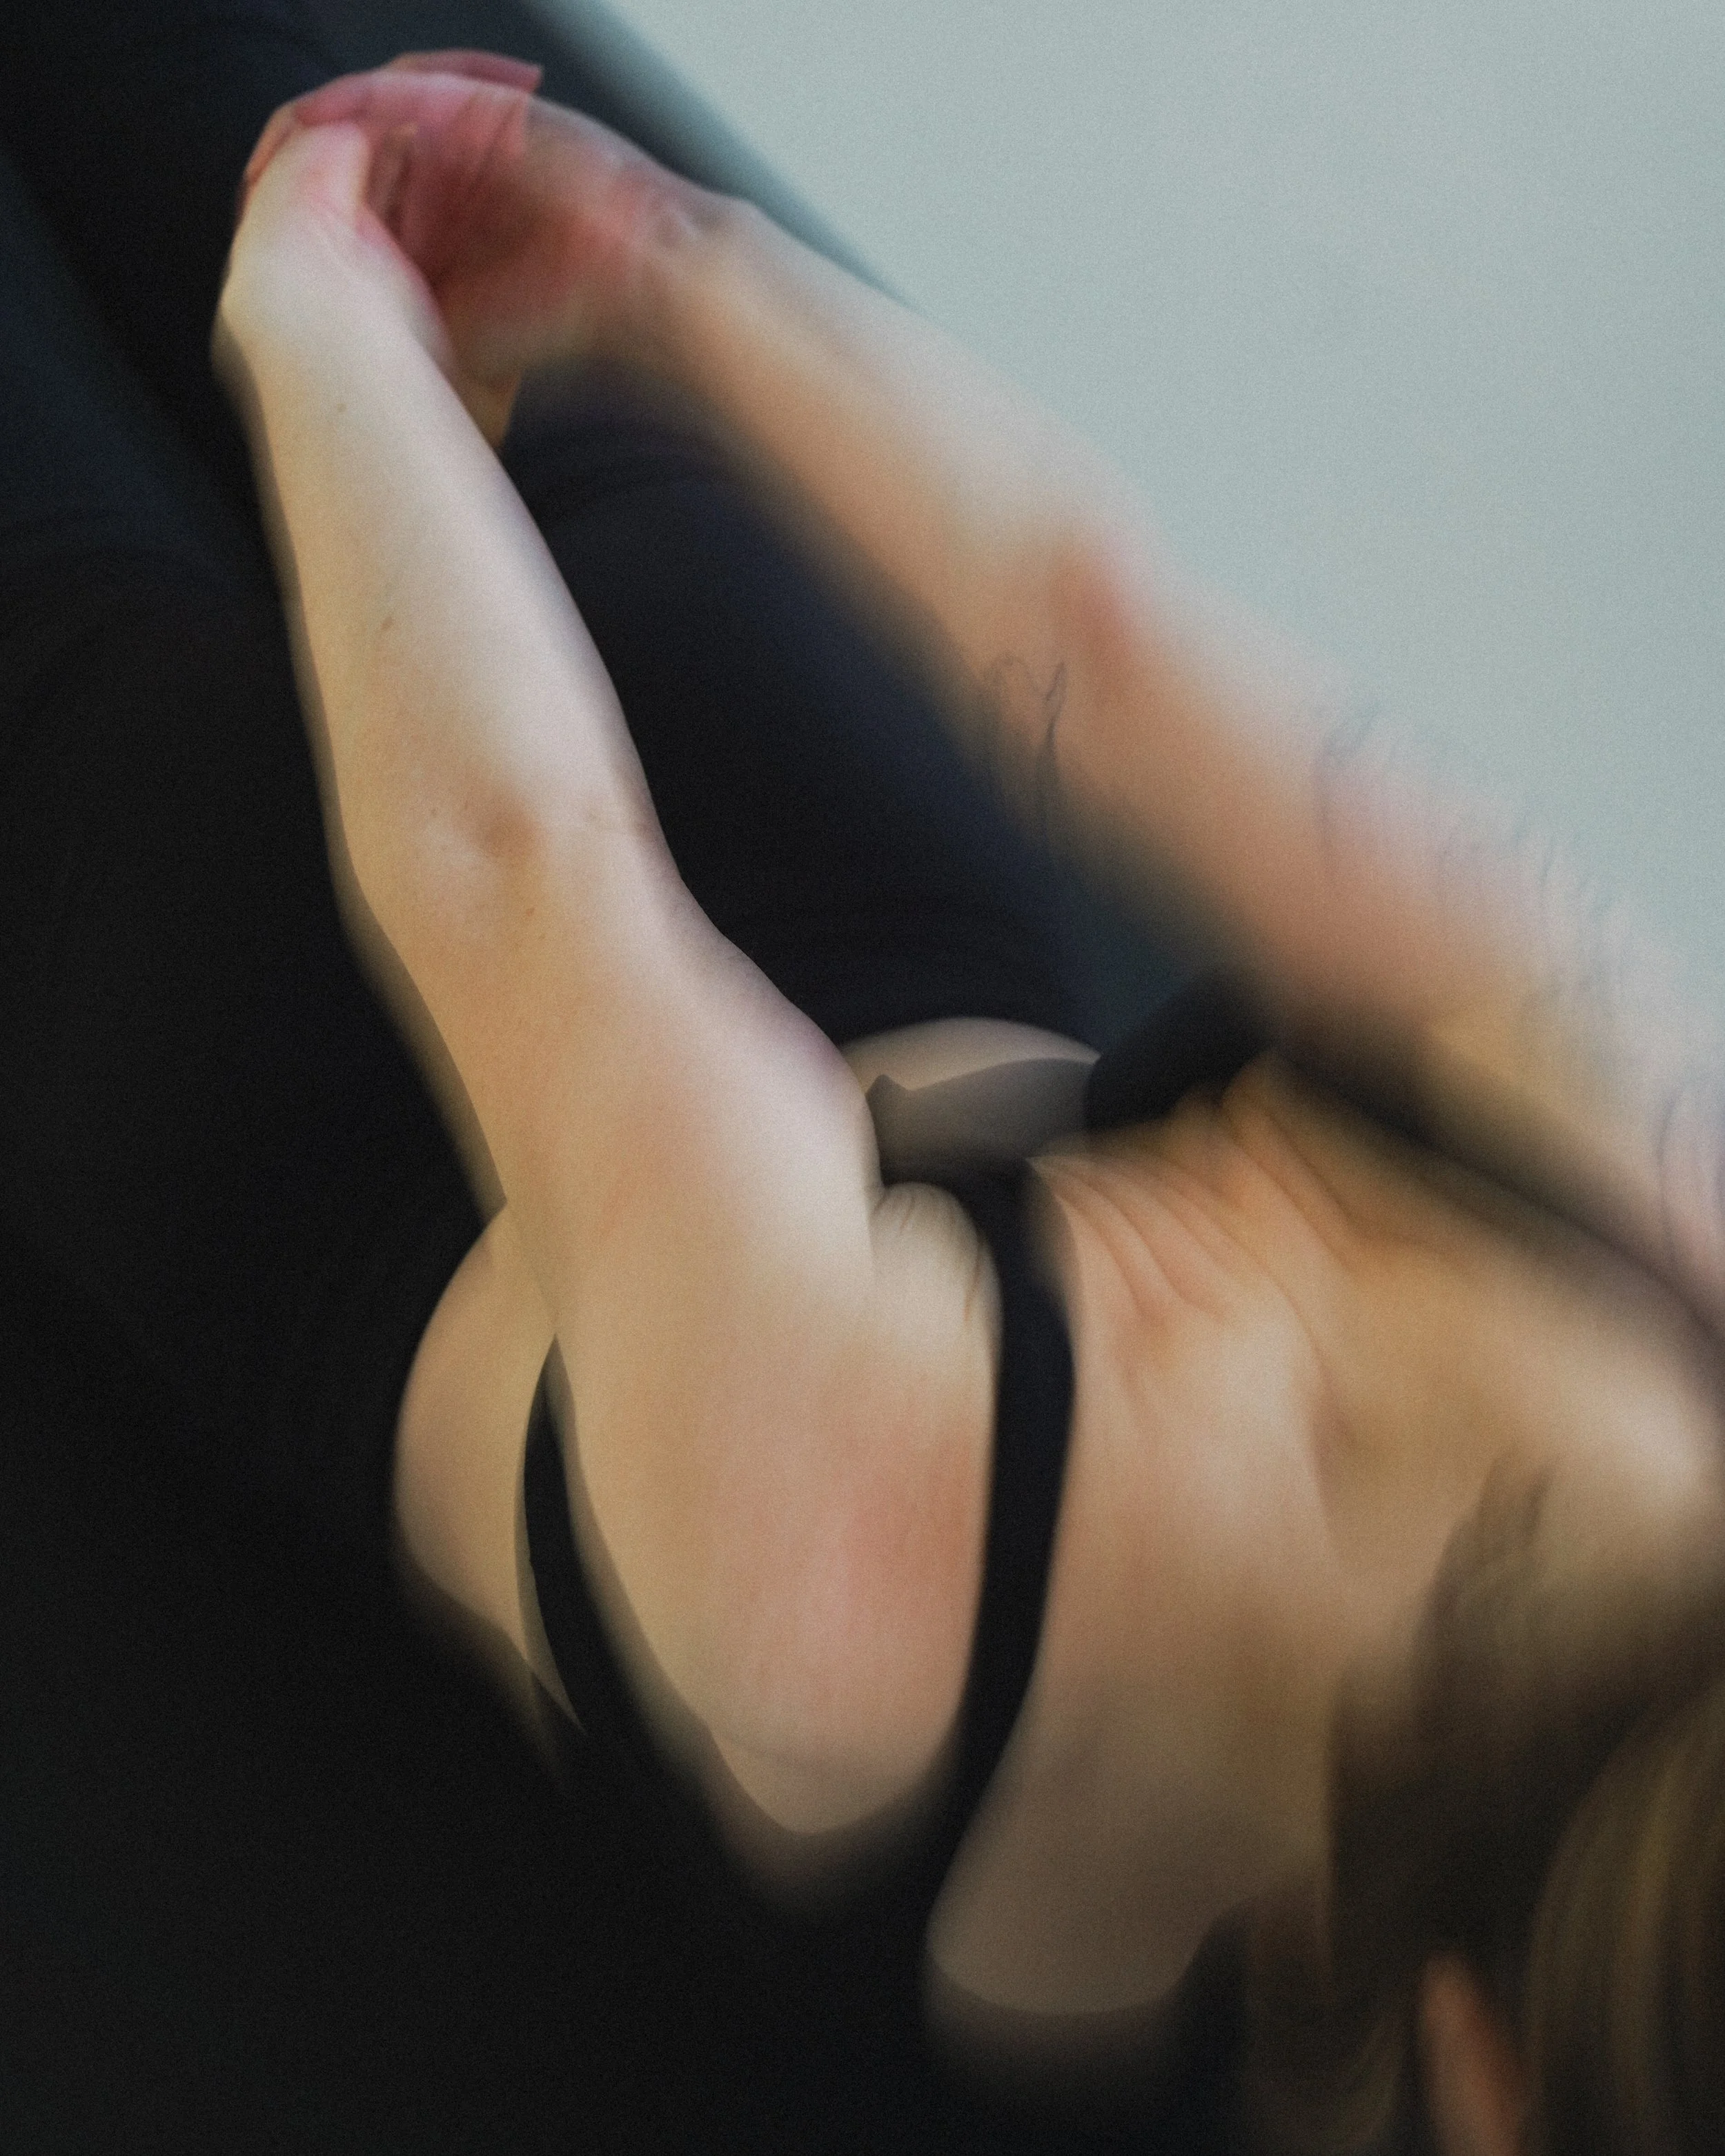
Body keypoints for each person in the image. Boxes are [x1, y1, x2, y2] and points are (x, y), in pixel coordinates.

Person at [5, 14, 1724, 2151]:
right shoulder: (871, 1604)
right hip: (354, 1082)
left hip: (615, 985)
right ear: (1489, 2076)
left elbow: (1086, 626)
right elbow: (514, 870)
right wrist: (344, 328)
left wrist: (635, 269)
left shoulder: (1678, 1210)